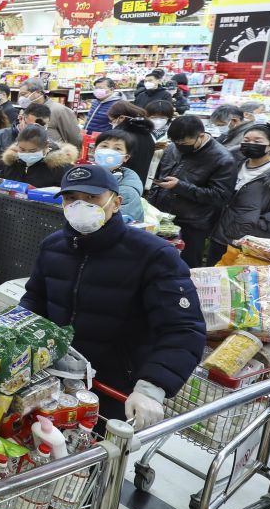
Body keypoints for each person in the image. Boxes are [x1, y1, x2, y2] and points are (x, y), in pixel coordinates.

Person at [20, 164, 204, 428]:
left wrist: (152, 387)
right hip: (52, 377)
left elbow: (184, 328)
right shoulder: (53, 246)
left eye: (92, 198)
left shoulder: (154, 255)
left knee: (101, 458)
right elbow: (34, 300)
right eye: (71, 199)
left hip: (116, 387)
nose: (79, 206)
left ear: (116, 203)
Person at [147, 115, 238, 267]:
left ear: (201, 136)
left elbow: (220, 196)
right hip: (162, 215)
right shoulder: (172, 147)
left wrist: (180, 186)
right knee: (158, 259)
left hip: (193, 223)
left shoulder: (223, 159)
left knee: (186, 264)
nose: (179, 146)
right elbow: (161, 174)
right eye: (175, 142)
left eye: (183, 143)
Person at [207, 122, 270, 264]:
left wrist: (258, 224)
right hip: (220, 233)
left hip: (250, 240)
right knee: (212, 273)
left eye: (257, 141)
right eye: (246, 140)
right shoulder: (234, 164)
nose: (250, 144)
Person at [91, 130, 146, 223]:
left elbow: (123, 223)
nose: (109, 151)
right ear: (94, 150)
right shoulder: (85, 175)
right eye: (104, 146)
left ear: (126, 157)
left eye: (117, 148)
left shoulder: (127, 192)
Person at [0, 124, 78, 188]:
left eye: (32, 151)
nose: (26, 154)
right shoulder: (12, 162)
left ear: (46, 146)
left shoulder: (60, 167)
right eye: (22, 149)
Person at [18, 78, 82, 148]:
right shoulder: (26, 111)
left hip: (53, 156)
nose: (21, 98)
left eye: (23, 94)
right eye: (20, 95)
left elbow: (74, 138)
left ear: (38, 92)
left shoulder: (59, 110)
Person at [107, 100, 155, 187]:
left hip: (121, 183)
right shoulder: (147, 133)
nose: (111, 123)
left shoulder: (122, 136)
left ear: (121, 118)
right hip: (138, 182)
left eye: (112, 120)